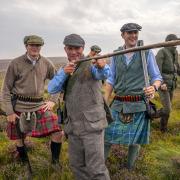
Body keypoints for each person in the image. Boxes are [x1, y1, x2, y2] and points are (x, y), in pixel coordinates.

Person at [48, 34, 111, 180]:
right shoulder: (64, 69)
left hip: (92, 126)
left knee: (96, 169)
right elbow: (52, 88)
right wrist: (64, 73)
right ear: (65, 49)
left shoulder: (91, 63)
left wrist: (102, 65)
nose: (74, 52)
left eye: (77, 48)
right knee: (77, 166)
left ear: (82, 48)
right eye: (70, 48)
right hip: (73, 127)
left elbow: (103, 73)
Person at [104, 23, 162, 170]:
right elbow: (111, 79)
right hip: (118, 103)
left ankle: (129, 170)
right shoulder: (116, 54)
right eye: (129, 33)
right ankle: (99, 168)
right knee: (107, 136)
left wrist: (153, 87)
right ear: (122, 35)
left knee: (135, 141)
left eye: (135, 32)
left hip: (138, 103)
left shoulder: (146, 53)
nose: (133, 36)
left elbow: (157, 77)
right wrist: (104, 101)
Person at [1, 35, 63, 174]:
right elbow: (5, 89)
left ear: (41, 47)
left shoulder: (47, 63)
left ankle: (55, 162)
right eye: (32, 45)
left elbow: (58, 82)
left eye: (38, 45)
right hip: (18, 107)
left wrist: (52, 100)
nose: (35, 48)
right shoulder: (15, 63)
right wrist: (9, 112)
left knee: (58, 132)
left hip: (39, 106)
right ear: (26, 46)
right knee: (18, 138)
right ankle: (24, 162)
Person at [155, 34, 180, 132]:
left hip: (172, 84)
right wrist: (161, 83)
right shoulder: (162, 52)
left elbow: (177, 69)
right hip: (163, 85)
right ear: (169, 41)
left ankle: (163, 129)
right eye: (175, 41)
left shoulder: (175, 52)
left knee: (168, 109)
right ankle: (149, 115)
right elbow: (157, 70)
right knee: (167, 109)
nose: (177, 43)